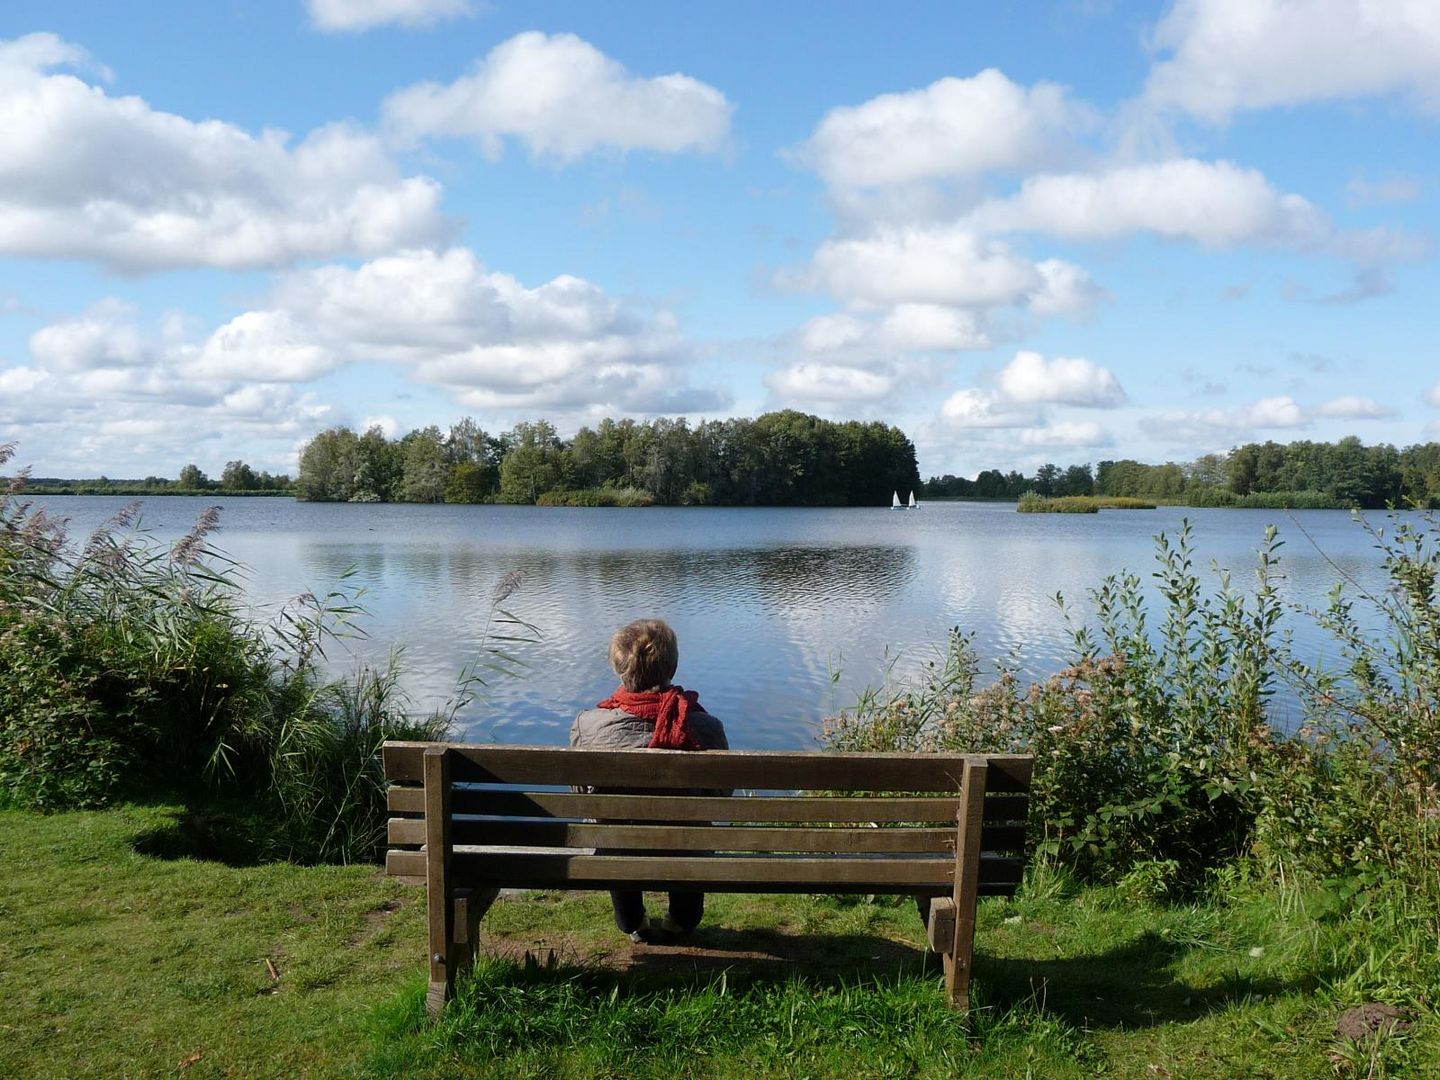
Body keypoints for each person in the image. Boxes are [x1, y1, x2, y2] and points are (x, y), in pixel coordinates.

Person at [570, 618, 729, 943]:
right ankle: (682, 920)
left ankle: (631, 921)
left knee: (612, 829)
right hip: (686, 847)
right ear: (672, 666)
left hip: (618, 848)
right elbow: (721, 793)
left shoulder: (589, 726)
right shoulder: (706, 727)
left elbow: (580, 793)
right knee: (691, 831)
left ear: (619, 668)